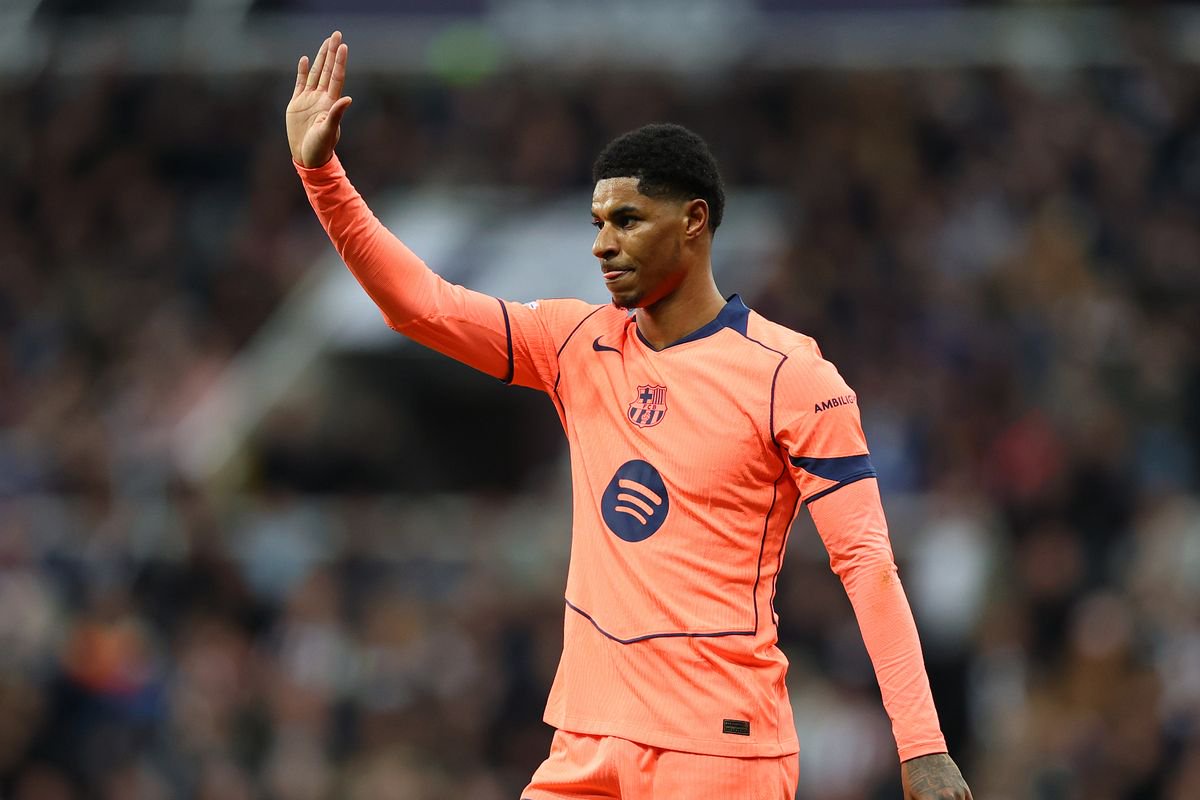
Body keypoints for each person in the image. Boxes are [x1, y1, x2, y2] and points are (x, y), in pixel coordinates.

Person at [286, 31, 973, 800]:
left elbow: (866, 562)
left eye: (627, 220)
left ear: (694, 221)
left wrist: (922, 744)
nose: (602, 245)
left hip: (718, 750)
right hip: (586, 743)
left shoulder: (792, 377)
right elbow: (420, 305)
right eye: (598, 223)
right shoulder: (574, 344)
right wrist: (322, 175)